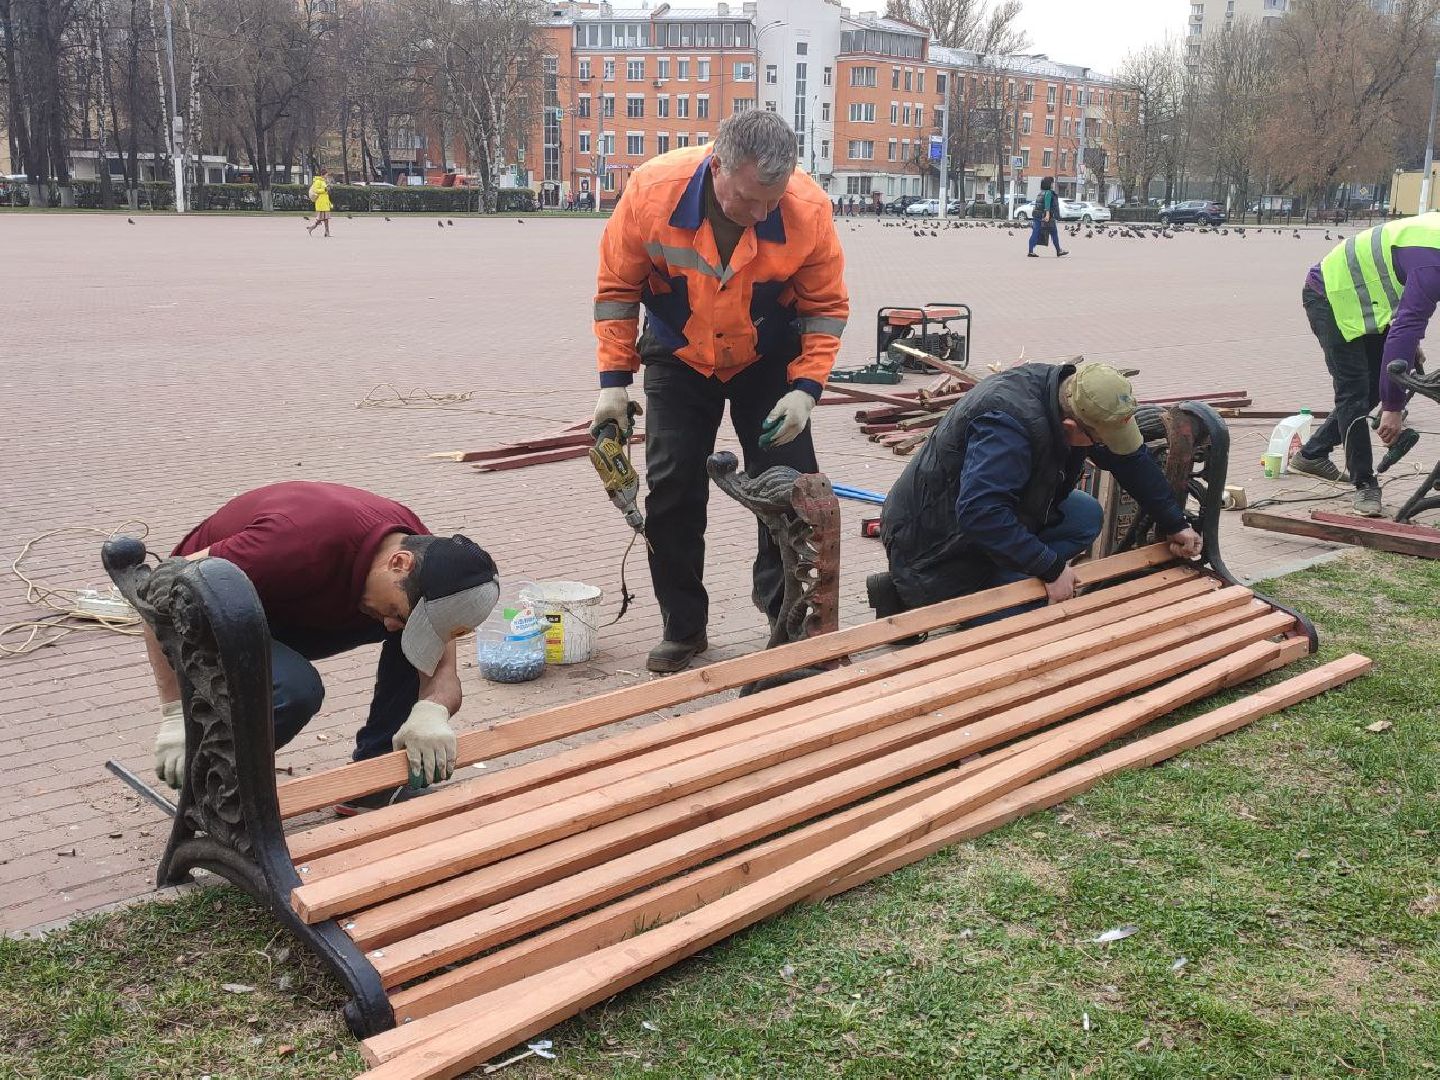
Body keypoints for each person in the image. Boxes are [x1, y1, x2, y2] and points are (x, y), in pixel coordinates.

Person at [591, 110, 849, 673]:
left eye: (771, 202)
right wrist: (613, 383)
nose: (760, 214)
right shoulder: (652, 192)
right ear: (718, 167)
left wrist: (805, 390)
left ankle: (788, 618)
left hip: (765, 357)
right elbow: (617, 289)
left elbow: (825, 308)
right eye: (749, 200)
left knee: (792, 493)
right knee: (673, 490)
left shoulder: (807, 209)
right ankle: (683, 628)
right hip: (679, 355)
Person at [143, 481, 500, 813]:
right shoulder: (293, 541)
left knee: (411, 642)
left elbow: (442, 671)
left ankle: (375, 780)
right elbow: (157, 595)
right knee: (295, 689)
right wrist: (174, 712)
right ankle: (214, 789)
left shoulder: (427, 561)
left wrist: (432, 711)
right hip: (215, 611)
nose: (392, 624)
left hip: (295, 603)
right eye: (396, 612)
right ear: (399, 563)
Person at [868, 362, 1202, 618]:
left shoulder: (1070, 396)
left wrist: (1175, 522)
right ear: (1071, 426)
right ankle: (930, 596)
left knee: (1083, 515)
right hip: (936, 539)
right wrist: (1051, 568)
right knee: (1019, 622)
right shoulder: (1006, 424)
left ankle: (1004, 574)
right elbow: (981, 514)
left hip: (989, 514)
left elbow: (1129, 459)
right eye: (1098, 439)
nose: (1102, 446)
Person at [1287, 215, 1440, 517]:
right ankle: (1364, 484)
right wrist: (1393, 409)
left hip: (1370, 302)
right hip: (1331, 296)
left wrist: (1409, 347)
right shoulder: (1432, 262)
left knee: (1374, 386)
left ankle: (1312, 454)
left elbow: (1408, 312)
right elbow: (1407, 324)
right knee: (1355, 390)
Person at [1028, 176, 1067, 258]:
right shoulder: (1048, 193)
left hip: (1037, 215)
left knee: (1035, 232)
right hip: (1046, 216)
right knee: (1054, 233)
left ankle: (1030, 251)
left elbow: (1038, 205)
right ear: (1049, 184)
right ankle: (1058, 250)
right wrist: (1048, 215)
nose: (1052, 184)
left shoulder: (1040, 193)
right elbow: (1047, 204)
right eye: (1052, 183)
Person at [306, 168, 332, 237]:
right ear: (322, 175)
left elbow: (325, 191)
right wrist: (325, 189)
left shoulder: (324, 181)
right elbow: (316, 190)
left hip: (325, 202)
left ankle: (326, 232)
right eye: (326, 175)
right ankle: (312, 228)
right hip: (320, 202)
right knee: (321, 219)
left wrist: (328, 189)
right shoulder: (317, 181)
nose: (327, 176)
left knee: (325, 218)